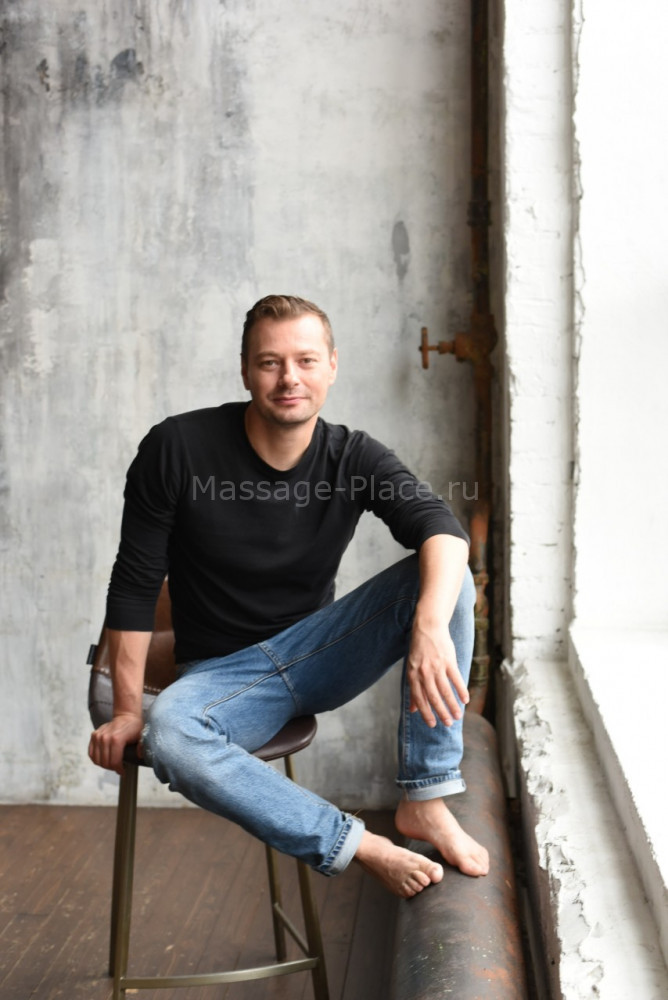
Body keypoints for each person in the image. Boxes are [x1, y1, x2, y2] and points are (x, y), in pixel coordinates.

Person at [89, 294, 489, 898]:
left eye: (305, 360)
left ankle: (426, 798)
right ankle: (356, 844)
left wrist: (429, 629)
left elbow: (443, 529)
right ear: (245, 370)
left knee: (444, 570)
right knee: (169, 731)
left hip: (316, 657)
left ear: (332, 365)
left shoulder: (353, 456)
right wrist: (126, 710)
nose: (289, 379)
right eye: (270, 362)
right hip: (222, 677)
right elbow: (134, 582)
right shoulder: (177, 447)